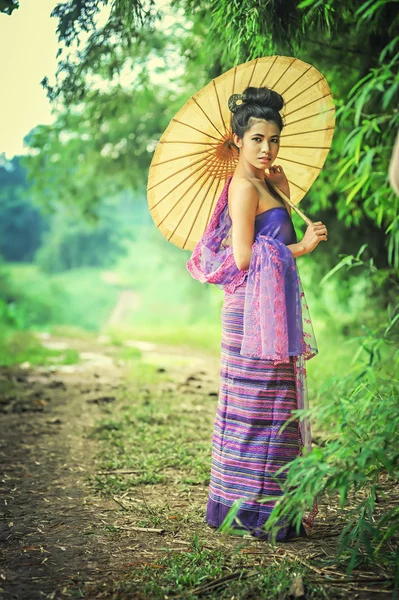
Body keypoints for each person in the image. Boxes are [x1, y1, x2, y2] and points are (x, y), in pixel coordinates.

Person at [187, 86, 328, 541]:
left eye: (274, 139)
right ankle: (254, 511)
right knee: (258, 409)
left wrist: (285, 196)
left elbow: (273, 239)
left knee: (274, 407)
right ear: (238, 141)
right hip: (251, 311)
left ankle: (262, 505)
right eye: (257, 140)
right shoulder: (243, 187)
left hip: (271, 307)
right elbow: (246, 257)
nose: (267, 148)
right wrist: (302, 246)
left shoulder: (269, 183)